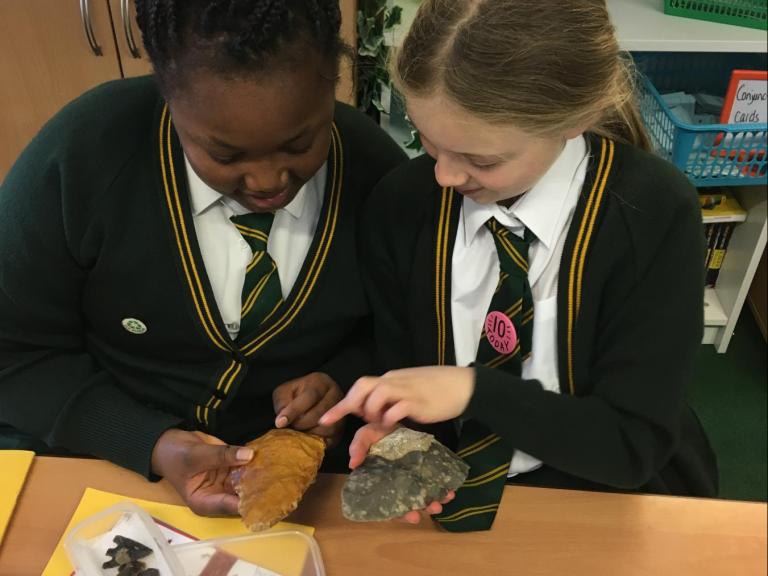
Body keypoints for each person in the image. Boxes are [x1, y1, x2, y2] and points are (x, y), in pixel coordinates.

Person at [320, 0, 718, 529]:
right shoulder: (402, 204)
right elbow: (401, 358)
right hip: (456, 489)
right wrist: (403, 431)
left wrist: (473, 390)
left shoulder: (654, 212)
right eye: (427, 143)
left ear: (576, 118)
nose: (444, 176)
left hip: (610, 491)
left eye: (482, 160)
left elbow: (631, 444)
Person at [0, 0, 406, 516]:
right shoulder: (83, 157)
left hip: (305, 496)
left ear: (332, 84)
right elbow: (15, 355)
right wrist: (152, 443)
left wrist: (341, 383)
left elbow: (399, 339)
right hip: (102, 464)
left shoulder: (379, 181)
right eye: (225, 155)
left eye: (300, 143)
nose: (268, 182)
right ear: (168, 100)